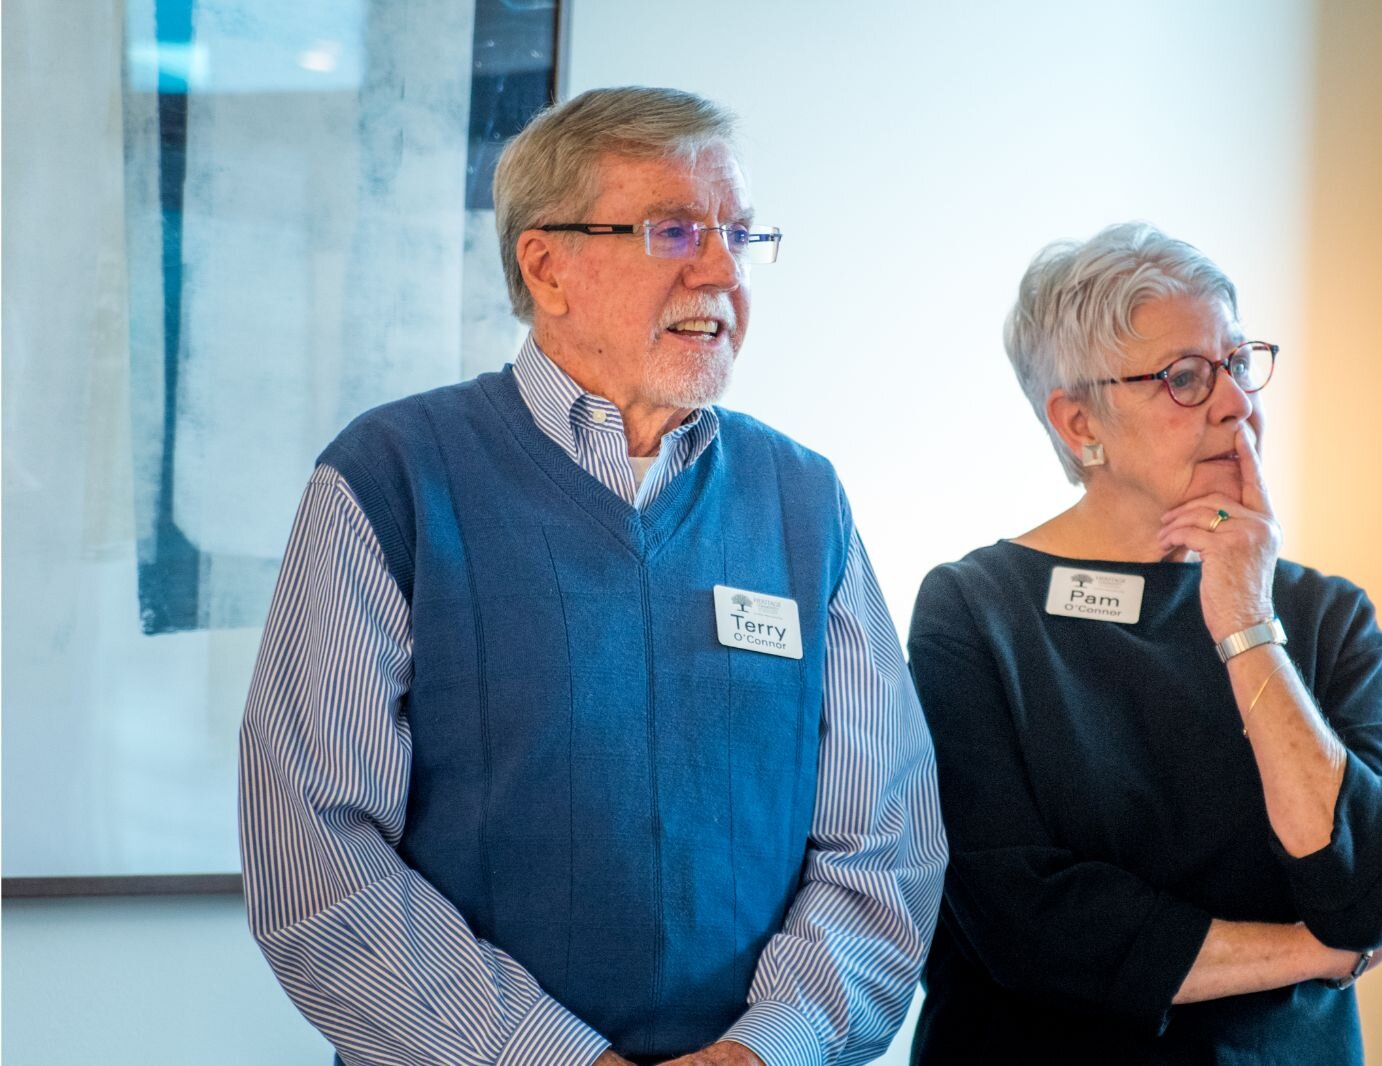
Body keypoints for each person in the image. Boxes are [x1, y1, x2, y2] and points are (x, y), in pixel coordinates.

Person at [239, 86, 946, 1066]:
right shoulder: (390, 479)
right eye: (672, 232)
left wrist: (765, 1049)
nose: (718, 271)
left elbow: (886, 841)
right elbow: (316, 853)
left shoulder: (803, 499)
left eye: (739, 236)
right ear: (547, 265)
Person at [906, 223, 1382, 1063]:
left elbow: (1371, 892)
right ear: (1078, 422)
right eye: (1186, 378)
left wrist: (1246, 621)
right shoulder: (973, 610)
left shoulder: (1324, 617)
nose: (1236, 402)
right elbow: (1024, 922)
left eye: (1240, 364)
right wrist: (1315, 954)